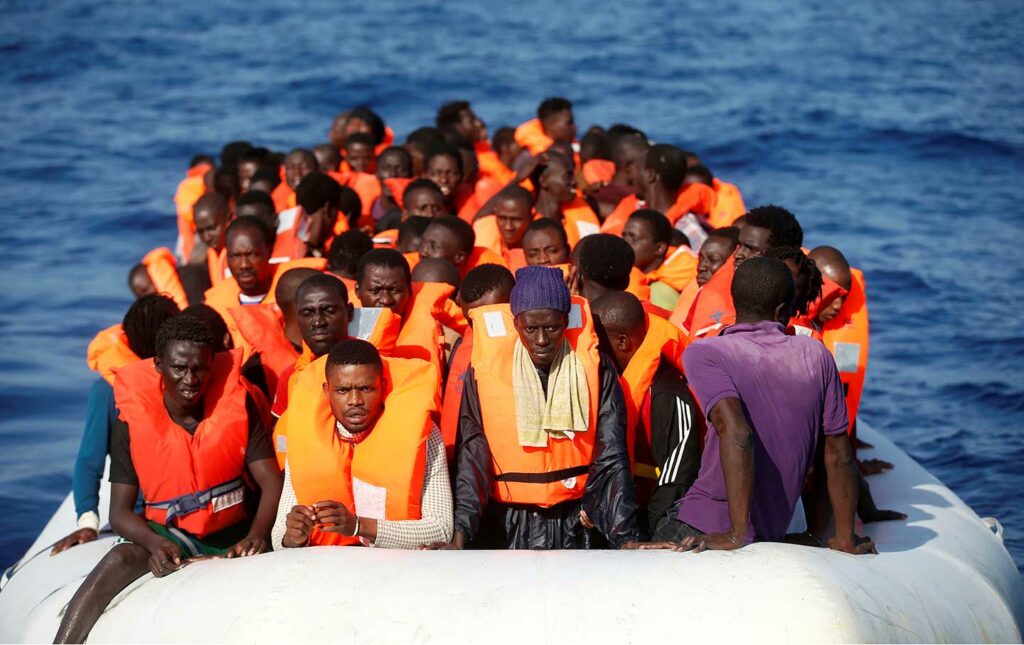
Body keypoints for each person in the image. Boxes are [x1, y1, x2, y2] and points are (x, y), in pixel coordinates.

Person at [53, 315, 282, 643]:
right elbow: (119, 512)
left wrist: (258, 535)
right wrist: (155, 543)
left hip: (235, 530)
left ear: (212, 366)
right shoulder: (132, 420)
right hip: (172, 533)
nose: (191, 379)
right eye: (179, 368)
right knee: (118, 557)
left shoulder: (237, 404)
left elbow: (271, 482)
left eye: (200, 368)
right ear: (159, 365)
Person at [655, 257, 875, 555]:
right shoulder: (816, 354)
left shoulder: (706, 353)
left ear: (735, 301)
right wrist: (845, 539)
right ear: (784, 310)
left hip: (702, 525)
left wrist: (734, 535)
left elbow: (737, 433)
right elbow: (838, 454)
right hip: (773, 530)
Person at [434, 265, 641, 550]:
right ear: (516, 323)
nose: (541, 340)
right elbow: (473, 451)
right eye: (531, 328)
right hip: (506, 524)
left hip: (576, 522)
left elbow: (611, 450)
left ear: (566, 322)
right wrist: (460, 537)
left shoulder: (596, 366)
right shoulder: (483, 371)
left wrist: (626, 537)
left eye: (552, 327)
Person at [271, 339, 451, 549]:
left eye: (366, 388)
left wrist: (358, 526)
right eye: (343, 390)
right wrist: (293, 537)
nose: (355, 400)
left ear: (382, 386)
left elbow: (442, 529)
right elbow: (278, 538)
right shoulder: (303, 437)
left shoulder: (425, 435)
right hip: (329, 570)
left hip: (398, 568)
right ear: (327, 390)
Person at [51, 296, 181, 556]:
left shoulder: (107, 390)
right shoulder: (191, 377)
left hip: (137, 518)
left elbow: (90, 460)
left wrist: (88, 520)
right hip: (188, 512)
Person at [590, 291, 701, 534]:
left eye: (596, 341)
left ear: (622, 342)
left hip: (652, 523)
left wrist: (640, 536)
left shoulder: (666, 395)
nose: (590, 349)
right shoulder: (607, 381)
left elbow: (677, 480)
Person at [686, 205, 803, 339]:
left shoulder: (805, 300)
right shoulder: (709, 291)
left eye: (751, 249)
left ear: (784, 257)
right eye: (739, 245)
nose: (738, 254)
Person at [270, 273, 354, 426]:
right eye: (308, 313)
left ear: (349, 312)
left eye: (328, 310)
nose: (318, 322)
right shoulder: (290, 378)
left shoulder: (375, 367)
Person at [204, 216, 278, 342]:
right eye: (236, 256)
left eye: (252, 255)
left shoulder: (293, 298)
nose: (244, 265)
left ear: (269, 251)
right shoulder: (213, 309)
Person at [623, 209, 698, 311]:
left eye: (633, 238)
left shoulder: (660, 291)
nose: (624, 243)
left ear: (659, 248)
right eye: (624, 236)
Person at [669, 227, 739, 329]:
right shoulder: (693, 290)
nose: (701, 267)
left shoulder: (740, 311)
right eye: (700, 258)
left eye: (713, 259)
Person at [530, 152, 600, 248]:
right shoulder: (525, 222)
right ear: (543, 180)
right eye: (567, 176)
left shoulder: (581, 209)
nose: (575, 181)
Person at [273, 171, 342, 262]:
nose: (336, 219)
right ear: (327, 208)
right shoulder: (306, 254)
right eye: (337, 211)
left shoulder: (274, 235)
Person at [419, 216, 504, 278]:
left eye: (433, 247)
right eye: (423, 242)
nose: (423, 251)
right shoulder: (411, 267)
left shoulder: (486, 280)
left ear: (459, 257)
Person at [474, 185, 534, 270]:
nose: (508, 227)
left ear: (531, 217)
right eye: (502, 218)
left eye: (516, 219)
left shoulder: (541, 252)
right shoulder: (481, 232)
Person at [355, 248, 412, 317]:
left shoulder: (427, 326)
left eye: (395, 290)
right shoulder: (344, 325)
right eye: (376, 290)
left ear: (410, 290)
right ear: (357, 291)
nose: (386, 300)